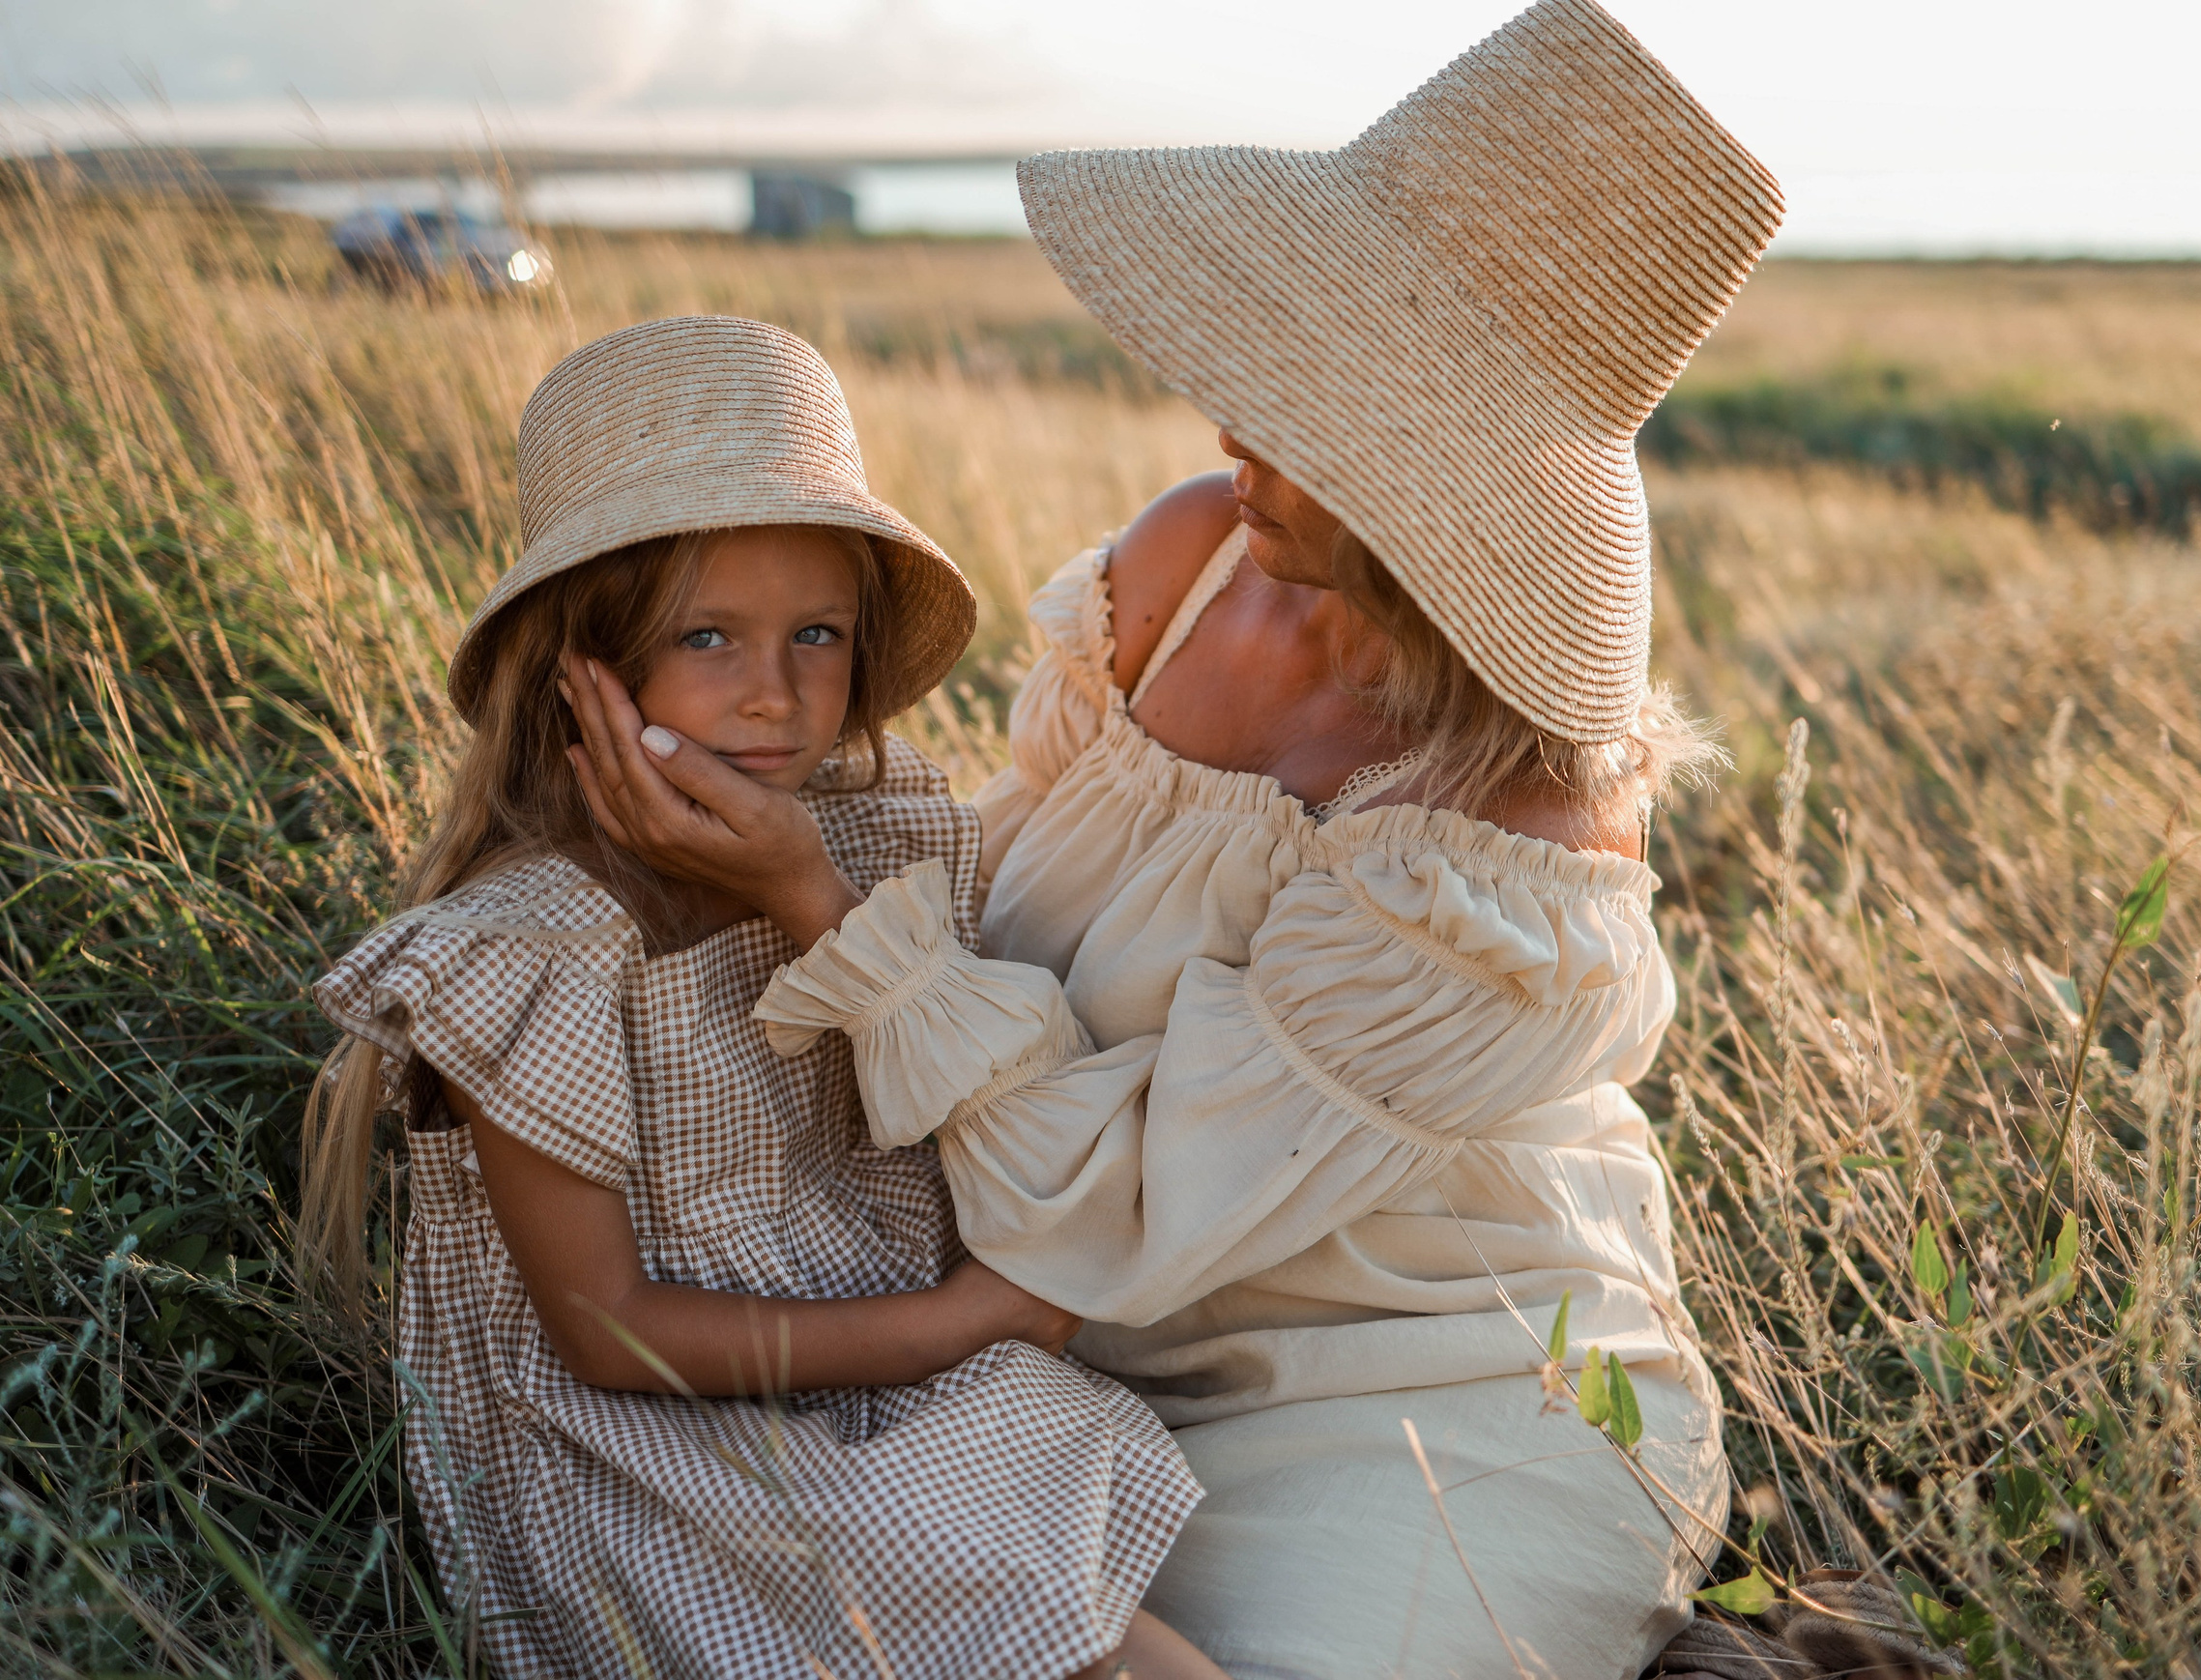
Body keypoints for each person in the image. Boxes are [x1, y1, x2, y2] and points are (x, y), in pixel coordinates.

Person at [566, 3, 1786, 1673]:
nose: (1229, 426)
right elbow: (1007, 901)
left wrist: (812, 898)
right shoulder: (1195, 558)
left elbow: (1122, 1215)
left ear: (1440, 467)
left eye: (1307, 399)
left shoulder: (1513, 823)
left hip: (1426, 1388)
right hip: (1049, 1330)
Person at [297, 316, 1224, 1680]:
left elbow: (939, 1124)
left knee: (1105, 1620)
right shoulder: (532, 952)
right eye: (708, 638)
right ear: (582, 671)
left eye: (817, 634)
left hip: (850, 1376)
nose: (777, 696)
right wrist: (964, 1322)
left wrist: (806, 896)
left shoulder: (858, 841)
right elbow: (607, 1334)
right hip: (651, 1457)